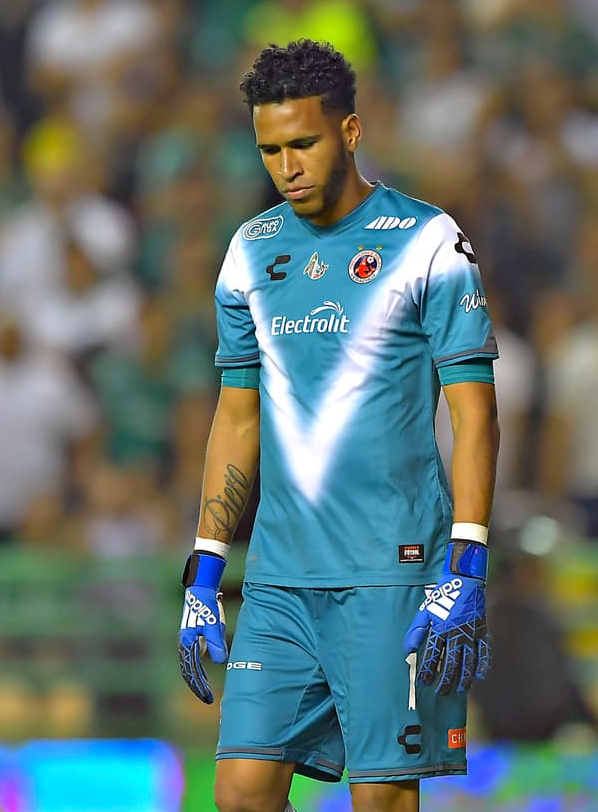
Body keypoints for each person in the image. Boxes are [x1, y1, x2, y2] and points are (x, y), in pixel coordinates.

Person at [177, 40, 499, 812]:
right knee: (241, 793)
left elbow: (476, 413)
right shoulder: (249, 253)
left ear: (350, 132)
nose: (286, 165)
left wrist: (469, 561)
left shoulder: (429, 242)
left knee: (381, 798)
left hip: (393, 570)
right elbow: (236, 415)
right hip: (283, 577)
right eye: (269, 150)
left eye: (303, 143)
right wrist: (205, 568)